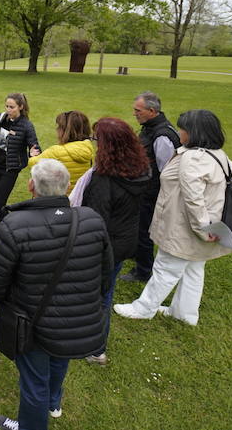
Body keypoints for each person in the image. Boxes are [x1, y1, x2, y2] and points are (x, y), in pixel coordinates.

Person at [0, 159, 112, 430]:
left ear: (31, 186)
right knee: (58, 358)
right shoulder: (92, 220)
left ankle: (34, 422)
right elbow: (104, 275)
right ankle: (53, 402)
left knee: (34, 382)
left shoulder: (13, 225)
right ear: (67, 187)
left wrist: (10, 307)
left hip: (34, 323)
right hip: (77, 317)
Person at [114, 109, 232, 326]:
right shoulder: (217, 154)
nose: (179, 132)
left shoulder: (193, 158)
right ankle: (185, 313)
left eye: (183, 128)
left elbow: (194, 198)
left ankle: (143, 309)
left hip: (187, 225)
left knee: (166, 267)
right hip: (205, 223)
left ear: (193, 132)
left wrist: (203, 228)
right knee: (194, 268)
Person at [78, 117, 150, 365]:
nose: (93, 143)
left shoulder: (104, 179)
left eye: (97, 139)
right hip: (124, 241)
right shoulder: (140, 169)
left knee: (98, 295)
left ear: (108, 145)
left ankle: (96, 349)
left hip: (103, 246)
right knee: (104, 292)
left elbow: (93, 219)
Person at [120, 91, 180, 284]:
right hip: (142, 189)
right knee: (137, 226)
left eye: (138, 110)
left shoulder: (163, 135)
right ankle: (137, 253)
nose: (134, 114)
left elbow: (167, 172)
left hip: (151, 193)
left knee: (144, 230)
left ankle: (144, 271)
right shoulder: (149, 128)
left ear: (152, 111)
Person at [0, 93, 41, 223]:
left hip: (10, 168)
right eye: (7, 106)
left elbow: (35, 146)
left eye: (12, 107)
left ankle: (5, 224)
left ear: (21, 107)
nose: (8, 110)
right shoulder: (1, 118)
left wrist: (32, 152)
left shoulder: (26, 126)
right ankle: (4, 222)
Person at [28, 110, 94, 192]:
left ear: (66, 130)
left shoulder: (56, 151)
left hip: (60, 199)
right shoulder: (89, 148)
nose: (57, 130)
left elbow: (33, 165)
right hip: (78, 198)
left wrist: (32, 155)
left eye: (59, 127)